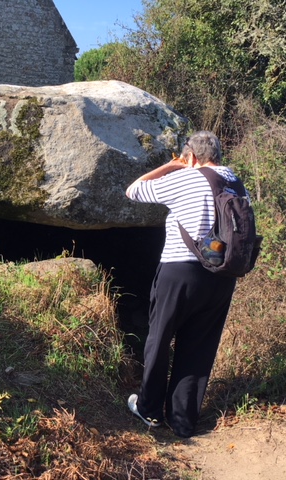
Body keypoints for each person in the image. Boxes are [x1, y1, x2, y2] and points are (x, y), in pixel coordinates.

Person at [124, 130, 242, 438]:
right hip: (222, 277)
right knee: (199, 348)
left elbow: (134, 190)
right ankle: (183, 421)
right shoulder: (235, 182)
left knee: (159, 339)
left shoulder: (186, 177)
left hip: (180, 272)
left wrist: (170, 165)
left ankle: (149, 410)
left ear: (190, 157)